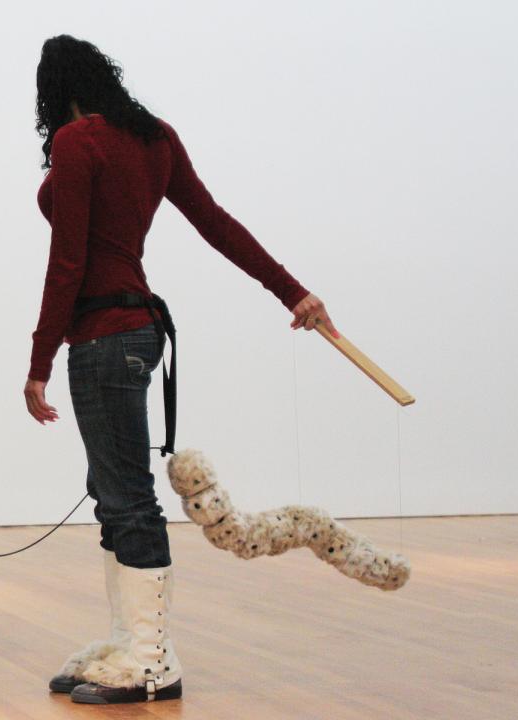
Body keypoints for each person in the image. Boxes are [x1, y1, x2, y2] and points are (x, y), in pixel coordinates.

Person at [25, 35, 336, 705]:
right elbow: (217, 225)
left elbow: (68, 263)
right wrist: (292, 291)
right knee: (114, 492)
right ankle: (125, 646)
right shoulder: (154, 138)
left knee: (128, 498)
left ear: (53, 91)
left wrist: (38, 360)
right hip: (138, 332)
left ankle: (152, 663)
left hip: (104, 336)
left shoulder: (79, 144)